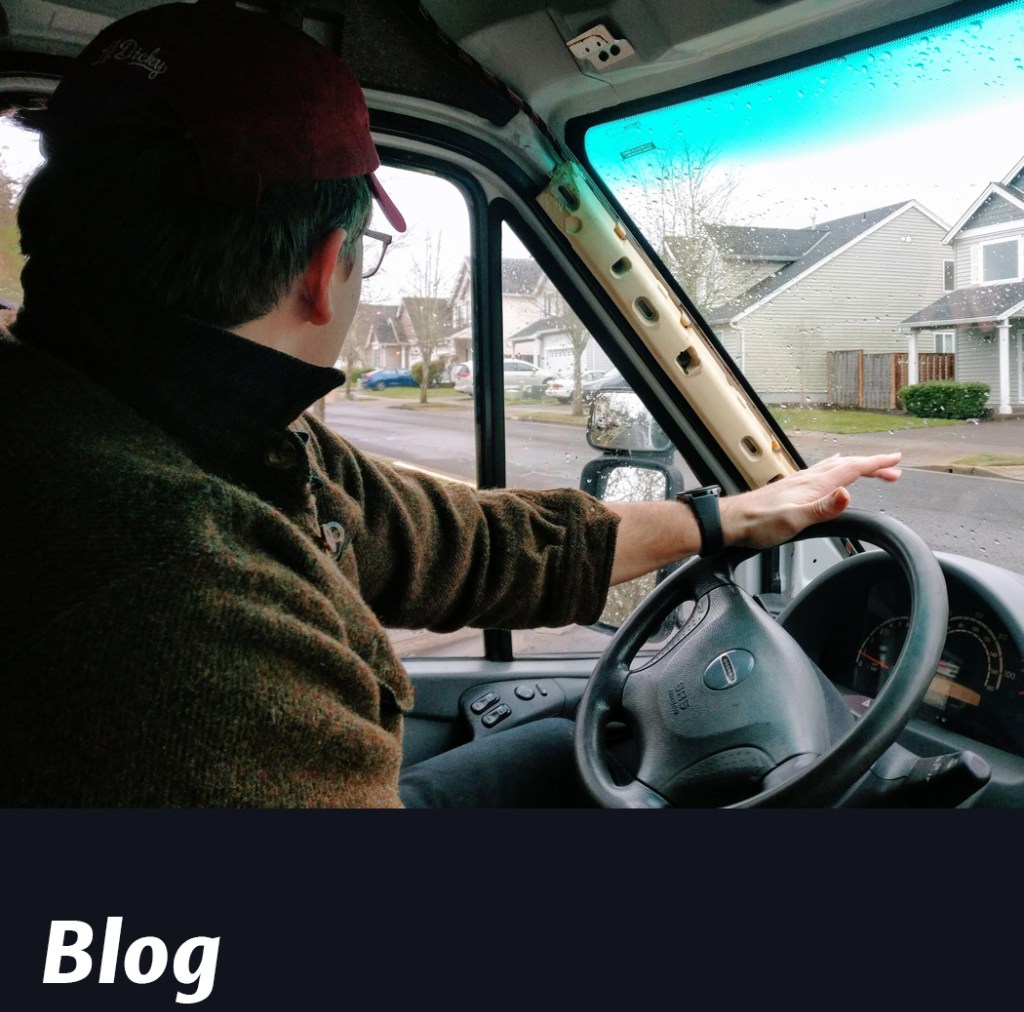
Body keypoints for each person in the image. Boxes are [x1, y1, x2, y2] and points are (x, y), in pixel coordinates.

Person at [0, 0, 903, 808]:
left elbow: (463, 543)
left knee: (563, 748)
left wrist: (723, 518)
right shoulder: (188, 595)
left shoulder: (173, 427)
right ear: (327, 269)